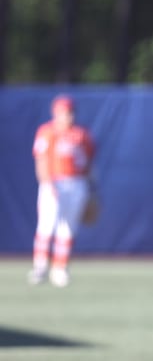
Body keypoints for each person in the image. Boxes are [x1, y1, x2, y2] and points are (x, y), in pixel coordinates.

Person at [28, 94, 95, 287]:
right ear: (55, 113)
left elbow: (89, 163)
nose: (68, 116)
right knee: (46, 226)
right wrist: (47, 184)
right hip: (53, 182)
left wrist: (91, 189)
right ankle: (40, 266)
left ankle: (60, 268)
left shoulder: (82, 134)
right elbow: (40, 160)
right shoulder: (46, 132)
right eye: (64, 113)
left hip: (77, 183)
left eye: (70, 112)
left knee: (68, 228)